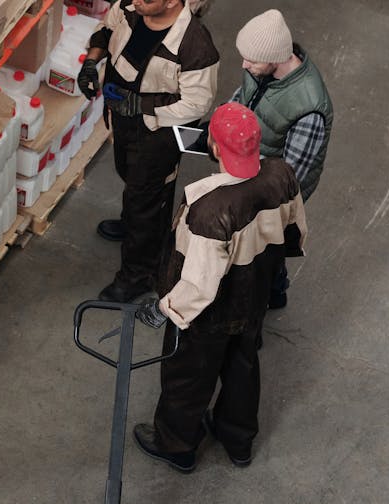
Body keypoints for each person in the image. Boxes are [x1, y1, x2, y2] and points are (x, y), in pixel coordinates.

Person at [131, 102, 307, 472]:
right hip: (253, 297)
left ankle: (176, 444)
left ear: (213, 147)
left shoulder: (209, 209)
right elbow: (295, 231)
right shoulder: (282, 175)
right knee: (242, 365)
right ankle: (237, 439)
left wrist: (165, 308)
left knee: (188, 377)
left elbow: (199, 283)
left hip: (209, 315)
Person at [77, 0, 219, 303]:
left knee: (147, 198)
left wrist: (141, 108)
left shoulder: (194, 45)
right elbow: (105, 31)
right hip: (124, 118)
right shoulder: (130, 8)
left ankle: (139, 275)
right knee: (129, 178)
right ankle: (134, 225)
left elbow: (197, 104)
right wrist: (91, 62)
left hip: (159, 133)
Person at [231, 9, 333, 308]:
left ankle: (270, 295)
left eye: (251, 60)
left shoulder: (309, 108)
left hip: (274, 192)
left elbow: (289, 179)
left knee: (266, 247)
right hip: (252, 170)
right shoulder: (260, 66)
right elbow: (245, 95)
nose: (244, 64)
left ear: (276, 58)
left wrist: (243, 169)